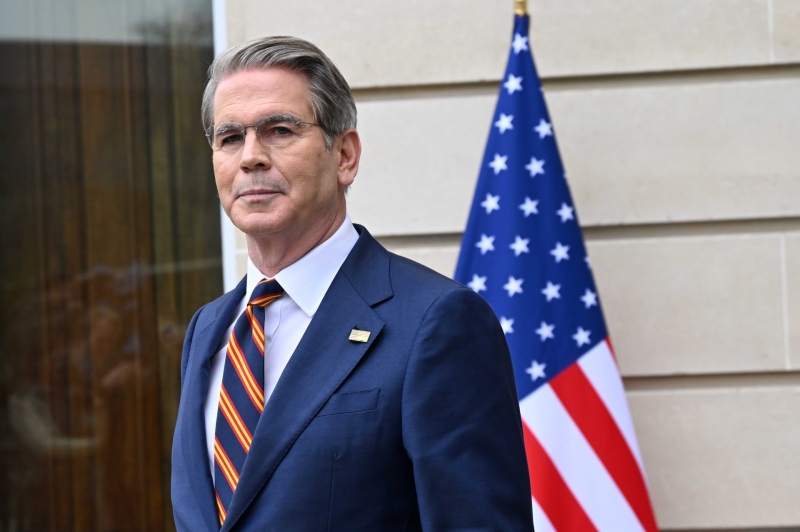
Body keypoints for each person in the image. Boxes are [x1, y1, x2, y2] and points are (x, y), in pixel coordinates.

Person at [171, 35, 534, 532]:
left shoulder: (436, 322)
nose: (250, 156)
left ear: (344, 155)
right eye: (230, 137)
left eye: (280, 130)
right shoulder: (208, 329)